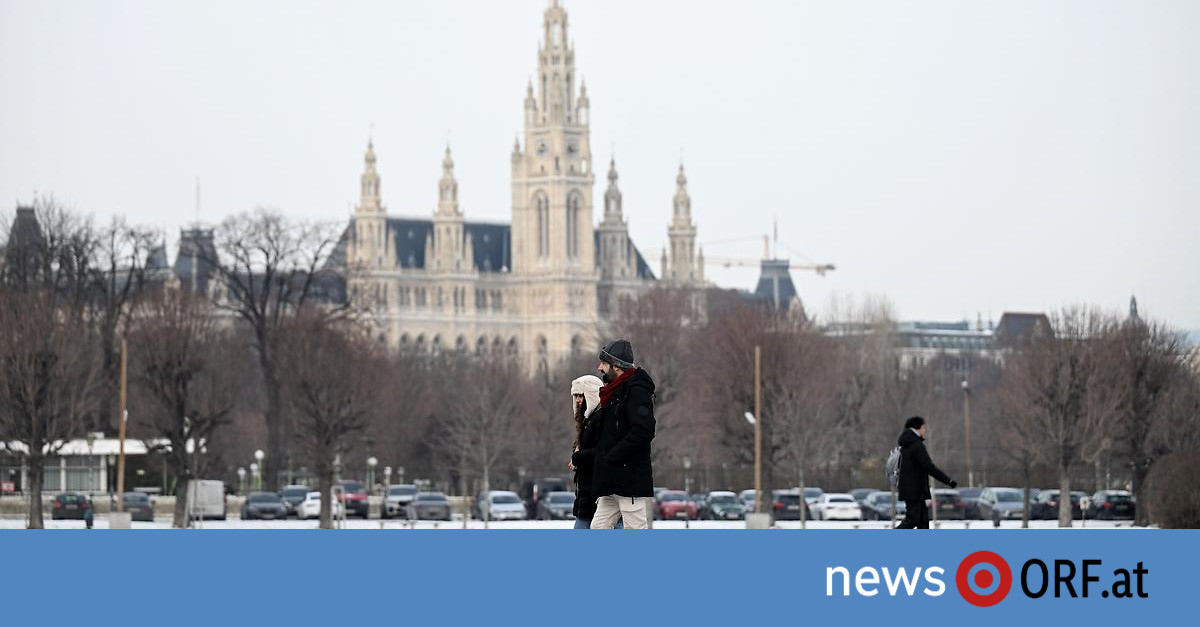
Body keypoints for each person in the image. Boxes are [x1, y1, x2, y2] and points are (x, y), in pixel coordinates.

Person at [589, 339, 656, 529]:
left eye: (604, 363)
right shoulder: (613, 393)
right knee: (597, 529)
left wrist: (614, 456)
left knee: (635, 530)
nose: (599, 368)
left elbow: (644, 430)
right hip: (610, 480)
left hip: (629, 480)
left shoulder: (637, 391)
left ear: (616, 367)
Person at [567, 374, 619, 529]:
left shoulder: (601, 418)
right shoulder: (588, 420)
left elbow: (603, 451)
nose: (578, 400)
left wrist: (578, 458)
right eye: (575, 396)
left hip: (597, 494)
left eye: (581, 395)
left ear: (590, 395)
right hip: (587, 495)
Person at [895, 416, 957, 529]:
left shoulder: (907, 445)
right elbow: (929, 467)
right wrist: (948, 481)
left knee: (923, 521)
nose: (925, 430)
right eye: (924, 427)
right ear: (917, 428)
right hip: (914, 491)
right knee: (912, 519)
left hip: (912, 490)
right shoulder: (916, 445)